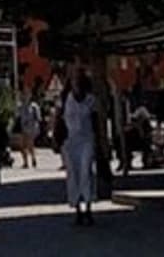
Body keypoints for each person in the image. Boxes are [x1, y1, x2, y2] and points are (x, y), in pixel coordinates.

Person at [61, 73, 98, 226]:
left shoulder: (91, 100)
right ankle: (77, 208)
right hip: (70, 142)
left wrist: (101, 142)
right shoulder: (65, 99)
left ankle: (88, 207)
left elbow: (96, 121)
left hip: (87, 139)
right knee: (73, 174)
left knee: (86, 172)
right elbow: (59, 119)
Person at [15, 94, 42, 169]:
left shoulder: (34, 106)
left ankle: (33, 158)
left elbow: (38, 118)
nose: (25, 97)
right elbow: (17, 115)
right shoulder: (20, 106)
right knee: (22, 146)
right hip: (23, 128)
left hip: (31, 128)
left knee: (30, 145)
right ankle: (25, 162)